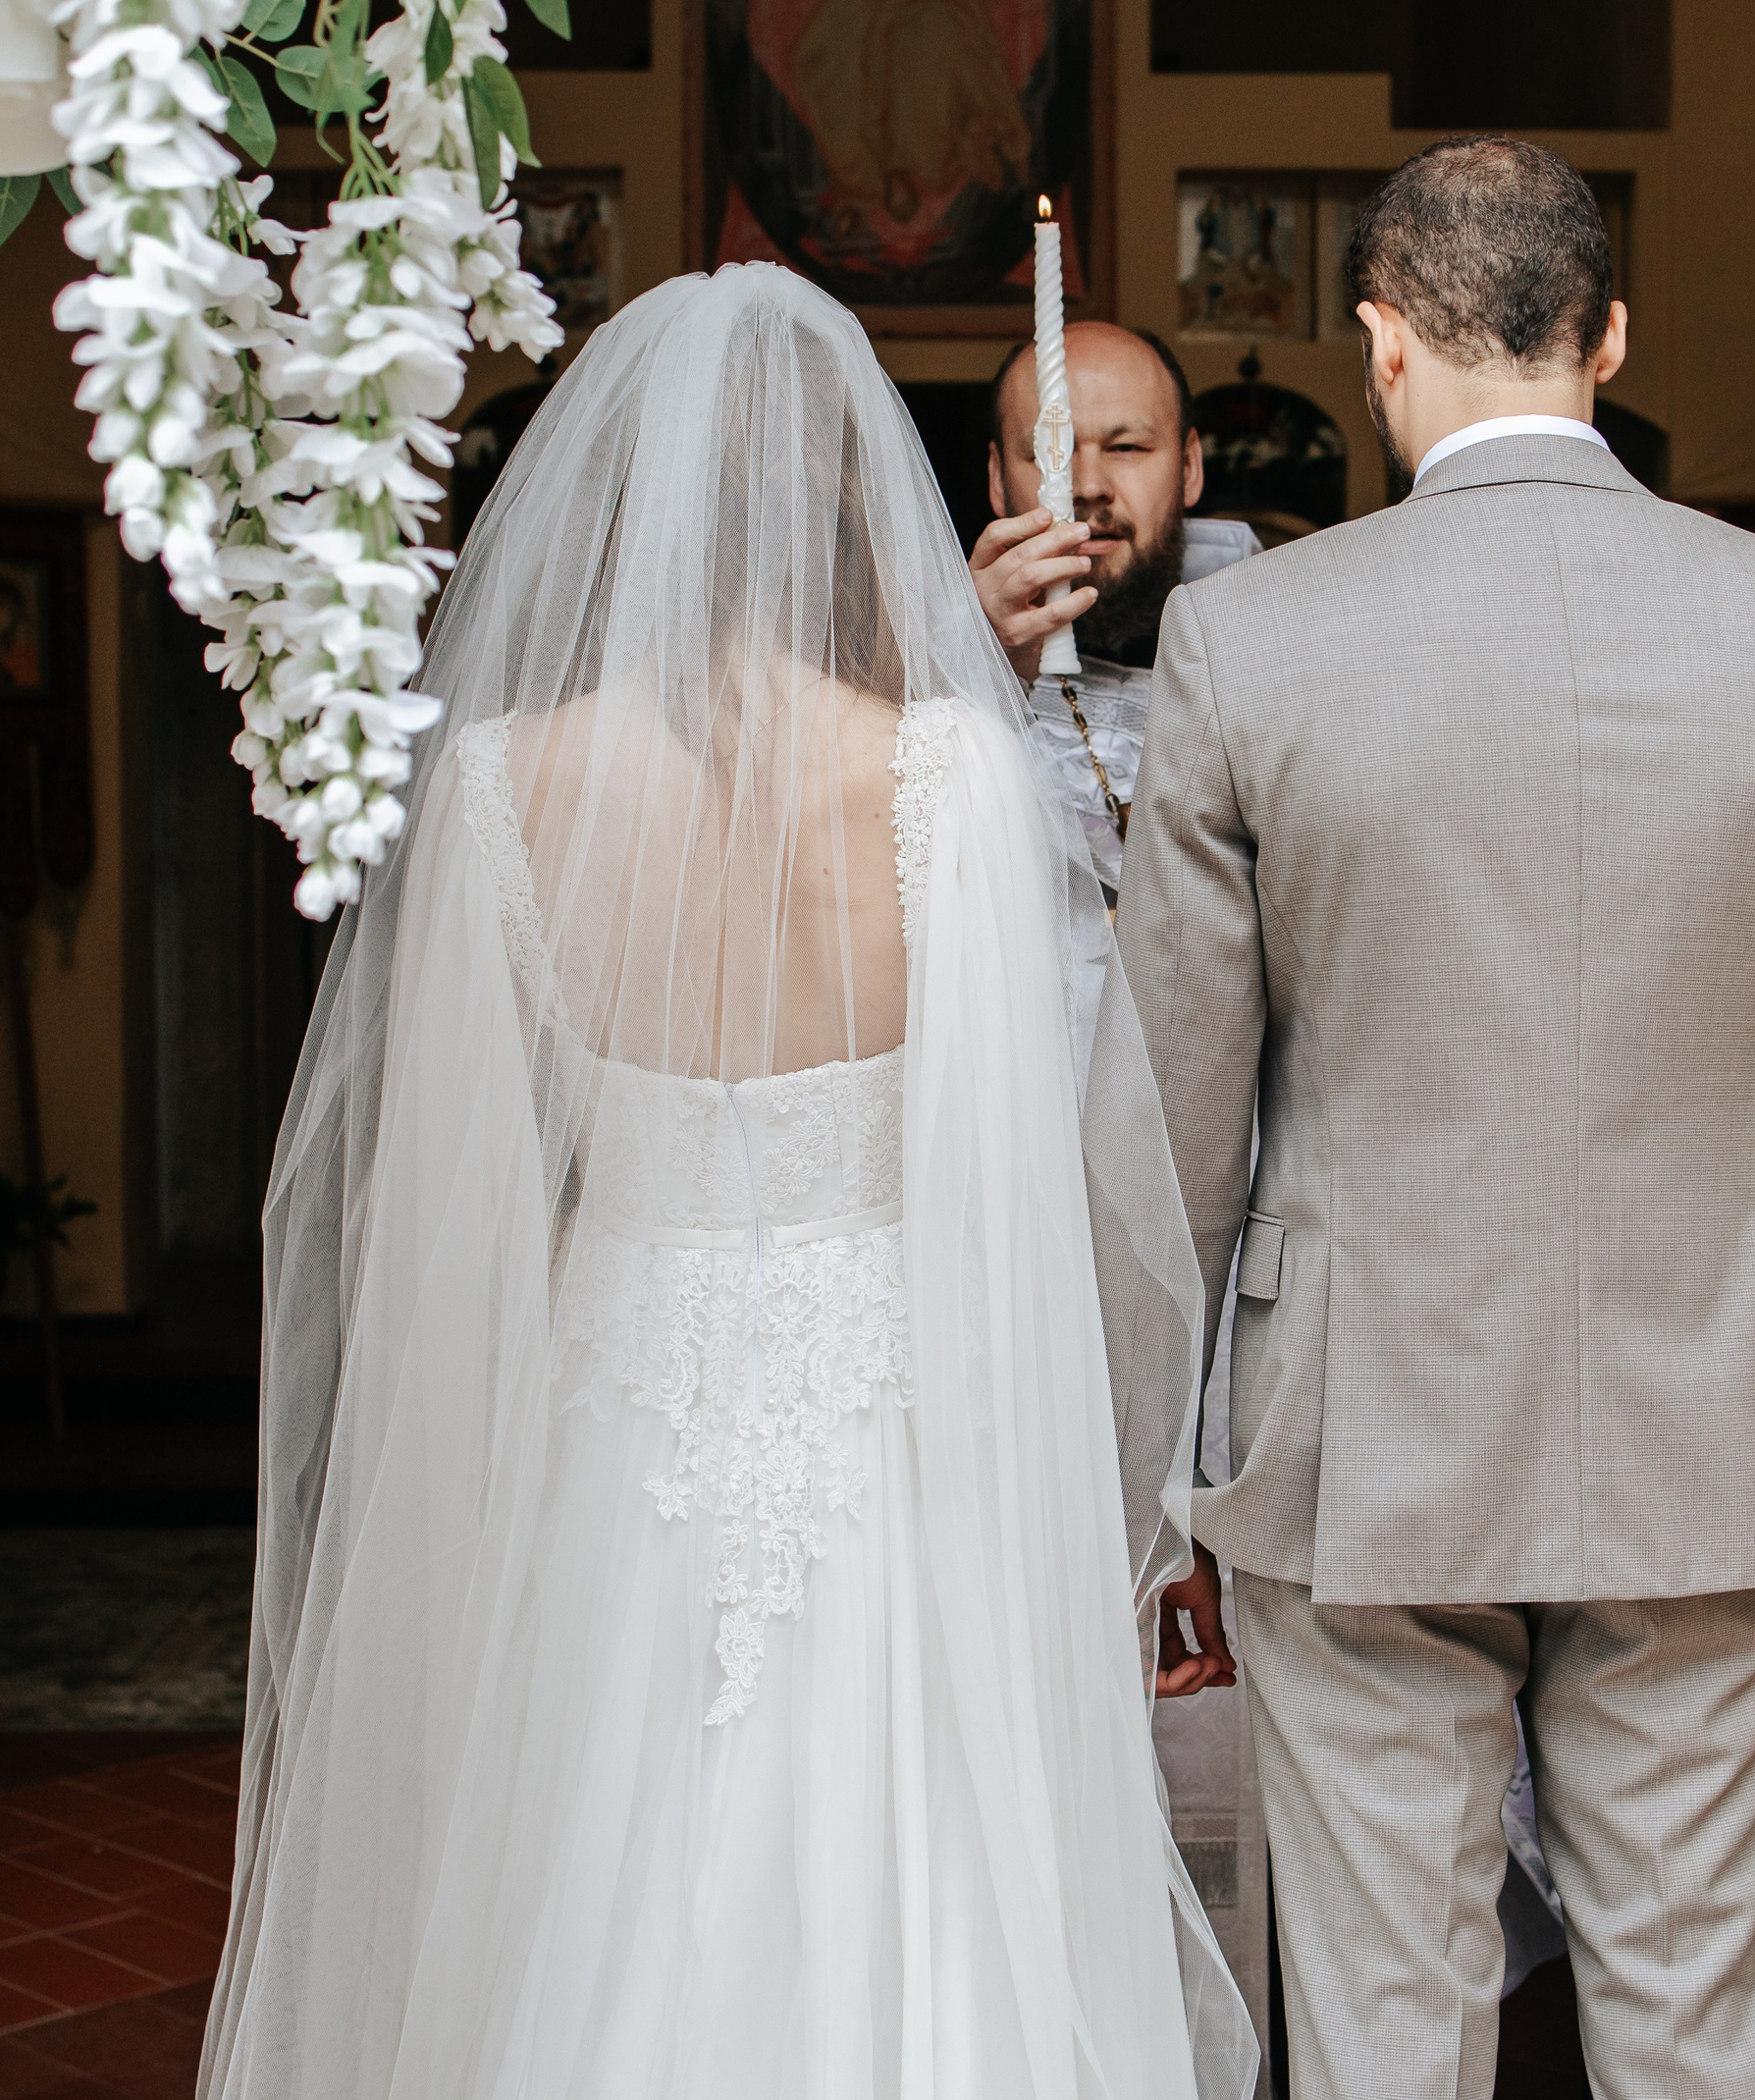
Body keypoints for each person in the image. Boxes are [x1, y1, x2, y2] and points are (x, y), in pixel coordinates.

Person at [197, 264, 1258, 2100]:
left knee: (595, 1840)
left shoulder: (499, 786)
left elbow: (462, 1187)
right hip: (887, 1404)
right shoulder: (948, 773)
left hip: (612, 1402)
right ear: (870, 515)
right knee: (907, 1847)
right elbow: (1020, 1185)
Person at [1088, 136, 1755, 2100]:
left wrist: (1148, 1465)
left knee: (1388, 2038)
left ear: (1379, 340)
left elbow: (1164, 1132)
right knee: (1688, 2034)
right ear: (1611, 336)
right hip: (1694, 1415)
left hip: (1361, 1425)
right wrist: (1722, 1225)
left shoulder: (1252, 642)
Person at [966, 321, 1260, 896]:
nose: (1088, 484)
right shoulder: (915, 670)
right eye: (1051, 450)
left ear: (1190, 467)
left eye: (1126, 447)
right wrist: (975, 665)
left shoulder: (1287, 643)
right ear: (999, 480)